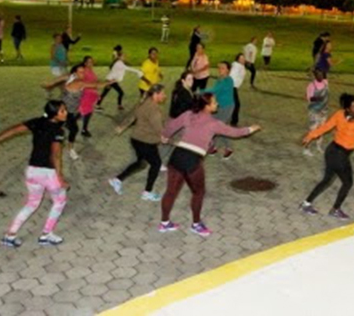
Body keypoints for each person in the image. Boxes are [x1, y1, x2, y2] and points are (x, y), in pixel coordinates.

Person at [159, 93, 261, 237]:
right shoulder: (214, 123)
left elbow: (171, 126)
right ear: (206, 106)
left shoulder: (188, 115)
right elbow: (235, 132)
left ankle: (164, 223)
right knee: (198, 193)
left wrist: (165, 136)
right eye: (214, 102)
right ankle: (196, 224)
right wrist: (251, 129)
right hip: (192, 159)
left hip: (177, 156)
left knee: (170, 192)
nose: (217, 104)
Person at [0, 100, 69, 248]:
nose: (66, 112)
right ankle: (46, 234)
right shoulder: (58, 131)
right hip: (48, 173)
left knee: (31, 203)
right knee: (60, 201)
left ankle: (10, 236)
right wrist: (60, 177)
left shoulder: (38, 122)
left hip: (32, 171)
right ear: (54, 115)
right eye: (62, 111)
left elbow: (15, 129)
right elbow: (55, 156)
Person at [300, 93, 354, 220]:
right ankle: (335, 210)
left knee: (327, 180)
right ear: (347, 108)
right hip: (340, 156)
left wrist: (311, 136)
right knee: (348, 183)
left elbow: (326, 127)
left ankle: (306, 204)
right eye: (353, 106)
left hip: (331, 151)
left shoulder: (339, 114)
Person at [109, 84, 167, 202]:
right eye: (163, 93)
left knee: (141, 163)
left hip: (136, 139)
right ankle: (147, 193)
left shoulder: (143, 102)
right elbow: (159, 128)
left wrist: (122, 127)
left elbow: (131, 117)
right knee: (156, 164)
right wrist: (164, 137)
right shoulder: (153, 109)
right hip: (146, 141)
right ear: (155, 94)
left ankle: (117, 180)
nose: (165, 96)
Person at [43, 64, 112, 160]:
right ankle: (70, 149)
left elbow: (59, 78)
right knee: (74, 129)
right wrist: (108, 82)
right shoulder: (78, 82)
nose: (83, 74)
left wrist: (49, 83)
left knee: (62, 123)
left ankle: (52, 129)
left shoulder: (70, 76)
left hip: (66, 106)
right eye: (80, 72)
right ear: (75, 72)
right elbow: (96, 85)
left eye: (83, 72)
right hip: (66, 110)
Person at [199, 62, 236, 159]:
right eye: (219, 67)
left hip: (226, 107)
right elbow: (216, 93)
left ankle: (229, 148)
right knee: (213, 125)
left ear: (228, 70)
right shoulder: (220, 79)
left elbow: (215, 90)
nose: (220, 69)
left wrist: (200, 91)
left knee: (221, 128)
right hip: (218, 107)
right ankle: (212, 146)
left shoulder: (228, 80)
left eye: (223, 68)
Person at [97, 46, 144, 111]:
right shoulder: (119, 64)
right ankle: (118, 105)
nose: (125, 57)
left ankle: (99, 104)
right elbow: (128, 68)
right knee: (119, 92)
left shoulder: (120, 63)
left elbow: (125, 66)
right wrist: (139, 72)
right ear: (119, 57)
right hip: (110, 81)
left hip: (112, 80)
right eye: (123, 56)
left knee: (106, 93)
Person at [303, 69, 329, 157]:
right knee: (312, 130)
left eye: (322, 74)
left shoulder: (325, 83)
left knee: (321, 129)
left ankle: (319, 145)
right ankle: (306, 148)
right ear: (315, 76)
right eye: (318, 75)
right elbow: (308, 98)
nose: (321, 76)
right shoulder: (311, 86)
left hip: (323, 110)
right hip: (314, 110)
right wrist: (318, 98)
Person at [79, 56, 101, 138]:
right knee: (87, 112)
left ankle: (69, 122)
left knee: (82, 111)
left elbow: (93, 81)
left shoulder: (90, 70)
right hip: (86, 94)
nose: (91, 63)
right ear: (85, 63)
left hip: (91, 94)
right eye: (89, 62)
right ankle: (84, 129)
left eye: (92, 61)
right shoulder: (84, 71)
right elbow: (82, 83)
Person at [229, 54, 246, 126]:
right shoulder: (237, 67)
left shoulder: (239, 66)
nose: (243, 60)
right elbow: (232, 76)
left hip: (233, 87)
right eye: (241, 58)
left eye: (243, 58)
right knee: (236, 104)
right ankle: (234, 121)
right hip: (232, 87)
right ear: (238, 59)